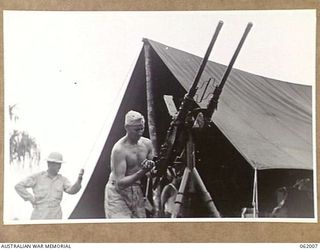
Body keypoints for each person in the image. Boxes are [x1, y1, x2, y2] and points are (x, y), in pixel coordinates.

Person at [104, 110, 155, 218]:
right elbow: (120, 183)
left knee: (139, 229)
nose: (140, 132)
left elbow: (152, 171)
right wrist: (143, 171)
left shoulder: (147, 144)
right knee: (121, 228)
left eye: (142, 128)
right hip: (117, 193)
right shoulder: (119, 149)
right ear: (127, 128)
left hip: (136, 190)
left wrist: (152, 169)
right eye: (136, 129)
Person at [15, 151, 84, 220]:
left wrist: (79, 180)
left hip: (56, 216)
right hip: (39, 216)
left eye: (60, 164)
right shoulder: (37, 177)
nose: (59, 166)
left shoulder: (62, 180)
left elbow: (72, 190)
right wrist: (31, 198)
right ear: (49, 164)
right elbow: (19, 186)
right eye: (57, 164)